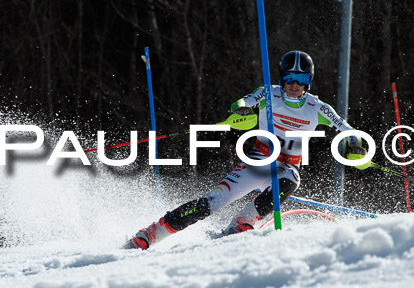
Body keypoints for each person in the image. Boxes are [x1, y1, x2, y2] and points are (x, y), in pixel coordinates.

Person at [123, 50, 367, 250]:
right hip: (256, 162)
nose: (294, 85)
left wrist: (355, 145)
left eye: (301, 80)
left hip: (286, 167)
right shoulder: (269, 94)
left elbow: (346, 129)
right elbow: (244, 101)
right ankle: (150, 234)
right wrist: (241, 110)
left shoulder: (317, 107)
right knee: (211, 203)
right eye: (290, 78)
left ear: (309, 82)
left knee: (291, 179)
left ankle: (242, 222)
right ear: (282, 77)